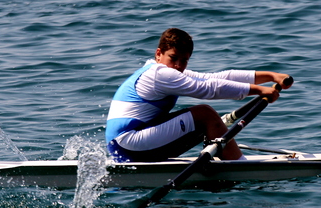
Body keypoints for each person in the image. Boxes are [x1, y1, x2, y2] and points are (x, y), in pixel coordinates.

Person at [105, 28, 292, 162]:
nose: (178, 65)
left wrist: (271, 76)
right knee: (205, 114)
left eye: (184, 60)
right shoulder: (158, 74)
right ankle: (239, 164)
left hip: (127, 144)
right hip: (128, 143)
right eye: (173, 58)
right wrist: (259, 90)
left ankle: (226, 158)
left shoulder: (164, 72)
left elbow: (216, 78)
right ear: (159, 53)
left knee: (204, 117)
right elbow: (208, 89)